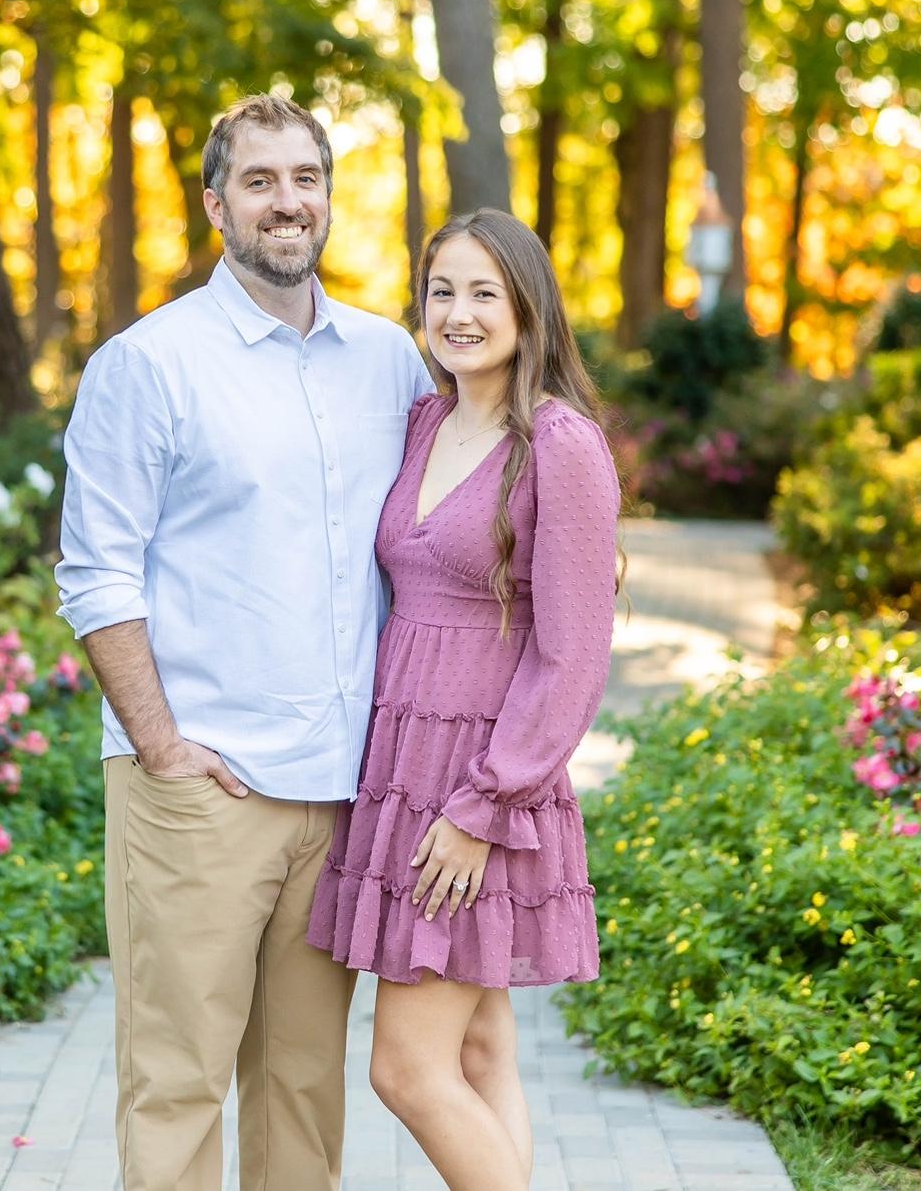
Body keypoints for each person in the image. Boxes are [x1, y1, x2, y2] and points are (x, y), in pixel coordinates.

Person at [54, 93, 434, 1191]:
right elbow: (96, 572)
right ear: (217, 204)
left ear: (329, 197)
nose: (286, 201)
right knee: (177, 1081)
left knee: (303, 1090)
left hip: (342, 791)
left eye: (305, 178)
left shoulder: (389, 361)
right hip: (202, 787)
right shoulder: (149, 363)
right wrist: (162, 748)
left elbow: (439, 536)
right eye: (259, 180)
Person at [307, 208, 621, 1190]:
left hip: (479, 783)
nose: (458, 312)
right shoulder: (424, 422)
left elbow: (572, 655)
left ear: (528, 307)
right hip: (400, 767)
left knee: (405, 1068)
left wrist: (486, 803)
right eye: (441, 289)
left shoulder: (559, 444)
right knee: (479, 1051)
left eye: (484, 291)